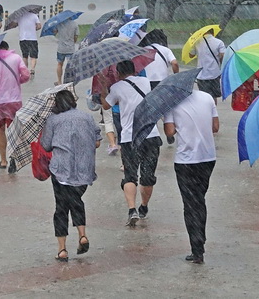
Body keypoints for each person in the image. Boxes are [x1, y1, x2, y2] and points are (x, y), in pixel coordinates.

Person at [40, 90, 102, 262]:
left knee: (61, 207)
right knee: (75, 199)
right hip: (84, 170)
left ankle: (62, 250)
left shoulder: (53, 120)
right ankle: (82, 235)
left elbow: (46, 145)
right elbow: (97, 141)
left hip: (61, 170)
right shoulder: (87, 118)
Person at [101, 60, 163, 226]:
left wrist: (101, 89)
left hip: (129, 138)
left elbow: (106, 106)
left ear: (118, 73)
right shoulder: (145, 81)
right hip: (151, 135)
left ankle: (131, 210)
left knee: (130, 175)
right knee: (148, 177)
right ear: (134, 70)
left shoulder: (116, 88)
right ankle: (144, 207)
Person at [164, 90, 219, 264]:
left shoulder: (170, 102)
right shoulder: (207, 97)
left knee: (190, 204)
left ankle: (197, 247)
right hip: (208, 158)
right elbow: (215, 127)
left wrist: (166, 119)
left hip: (186, 161)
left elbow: (170, 132)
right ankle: (200, 239)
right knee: (199, 199)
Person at [0, 41, 30, 173]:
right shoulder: (16, 58)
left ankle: (3, 160)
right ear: (7, 48)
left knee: (0, 130)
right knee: (14, 130)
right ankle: (14, 158)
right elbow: (26, 75)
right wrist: (17, 81)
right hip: (14, 100)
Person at [189, 29, 226, 104]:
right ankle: (213, 111)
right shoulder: (219, 42)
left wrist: (192, 42)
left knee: (204, 96)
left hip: (202, 74)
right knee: (213, 96)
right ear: (212, 32)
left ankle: (206, 111)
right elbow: (223, 55)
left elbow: (191, 55)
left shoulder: (197, 42)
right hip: (214, 73)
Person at [17, 11, 42, 79]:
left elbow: (14, 24)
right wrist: (34, 29)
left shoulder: (19, 16)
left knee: (25, 55)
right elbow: (39, 26)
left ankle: (25, 70)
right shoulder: (34, 15)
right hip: (32, 38)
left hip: (22, 38)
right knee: (33, 55)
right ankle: (32, 69)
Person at [54, 18, 79, 86]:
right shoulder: (75, 24)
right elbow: (76, 36)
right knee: (70, 66)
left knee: (59, 64)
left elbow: (55, 33)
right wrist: (72, 42)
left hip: (61, 48)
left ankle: (59, 81)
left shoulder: (59, 23)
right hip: (70, 48)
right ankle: (69, 81)